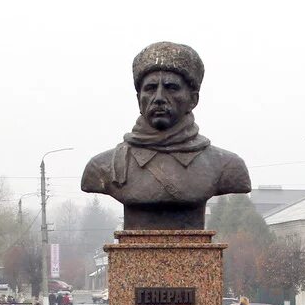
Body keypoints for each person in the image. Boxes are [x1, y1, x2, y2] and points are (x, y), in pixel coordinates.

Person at [81, 41, 252, 230]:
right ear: (139, 99)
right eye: (151, 88)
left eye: (171, 87)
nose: (160, 97)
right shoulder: (102, 167)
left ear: (193, 99)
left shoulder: (226, 166)